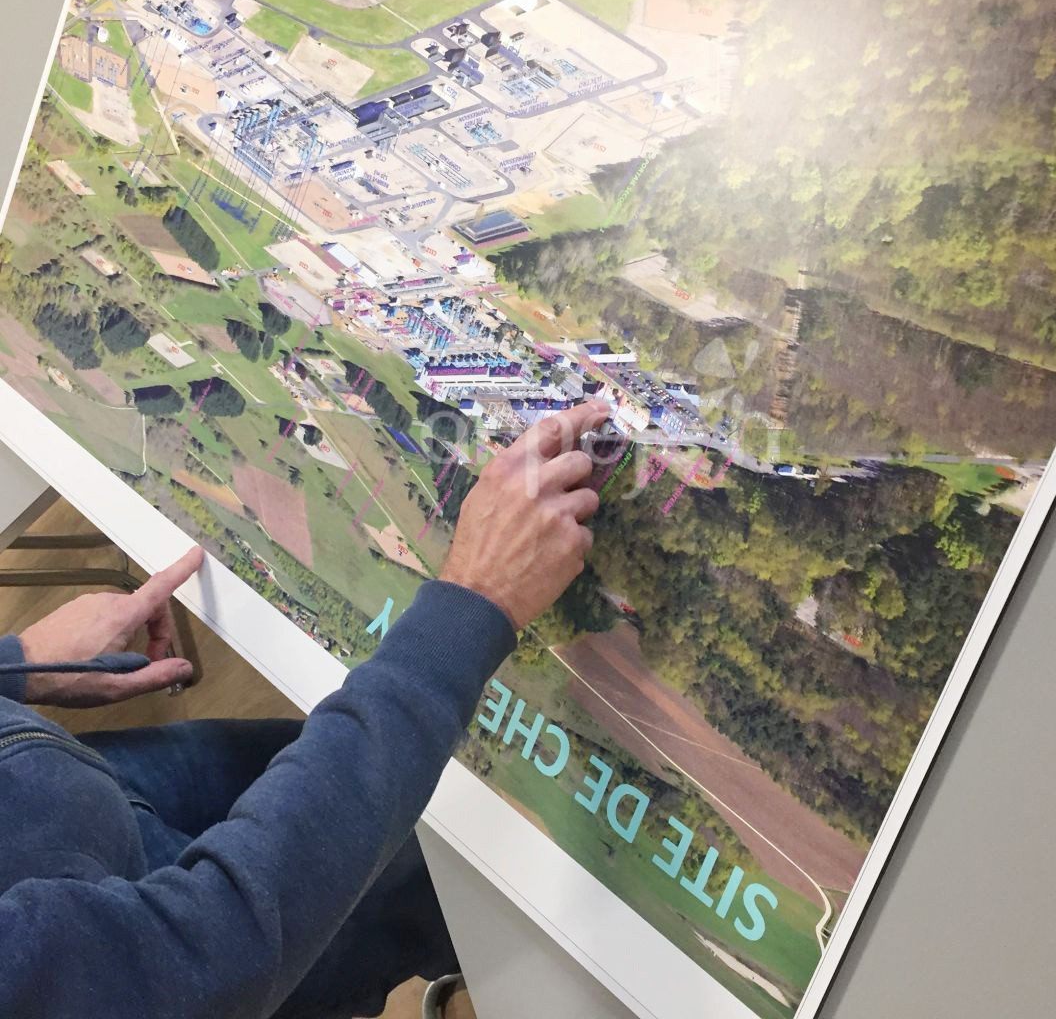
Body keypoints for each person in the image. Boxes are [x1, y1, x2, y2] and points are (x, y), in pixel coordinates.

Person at [0, 399, 609, 1019]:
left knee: (415, 803)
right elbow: (212, 950)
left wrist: (15, 665)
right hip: (168, 943)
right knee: (467, 869)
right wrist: (476, 604)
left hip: (53, 776)